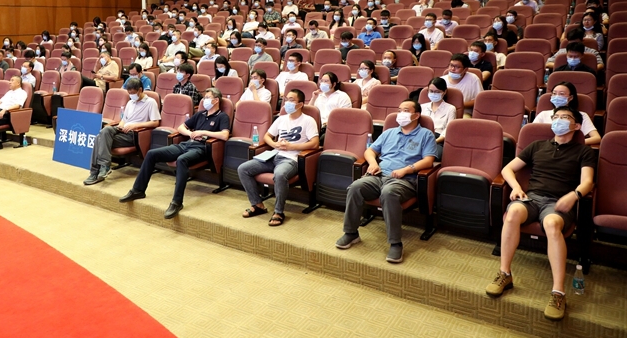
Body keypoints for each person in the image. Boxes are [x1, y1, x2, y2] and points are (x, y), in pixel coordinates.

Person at [486, 106, 595, 321]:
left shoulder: (584, 151)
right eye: (556, 117)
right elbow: (507, 169)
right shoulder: (537, 146)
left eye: (565, 117)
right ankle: (505, 274)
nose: (558, 120)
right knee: (513, 213)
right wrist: (516, 187)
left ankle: (558, 292)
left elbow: (588, 182)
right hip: (532, 198)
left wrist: (574, 195)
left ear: (576, 125)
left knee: (552, 224)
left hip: (559, 203)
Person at [336, 99, 437, 263]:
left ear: (416, 115)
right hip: (379, 175)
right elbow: (369, 151)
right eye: (399, 110)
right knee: (356, 187)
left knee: (389, 193)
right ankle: (351, 233)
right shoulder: (389, 132)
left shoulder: (426, 135)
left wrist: (407, 169)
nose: (401, 114)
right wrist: (373, 163)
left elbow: (429, 160)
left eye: (406, 110)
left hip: (404, 179)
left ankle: (395, 243)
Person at [119, 88, 230, 219]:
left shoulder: (222, 116)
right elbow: (181, 127)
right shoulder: (200, 114)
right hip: (186, 144)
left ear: (215, 100)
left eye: (207, 98)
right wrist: (191, 134)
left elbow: (225, 135)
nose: (204, 100)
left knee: (182, 160)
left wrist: (203, 132)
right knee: (152, 154)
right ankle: (138, 190)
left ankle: (177, 202)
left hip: (201, 148)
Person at [238, 88, 319, 226]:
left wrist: (292, 147)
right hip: (274, 155)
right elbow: (267, 136)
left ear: (300, 104)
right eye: (286, 99)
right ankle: (257, 205)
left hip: (292, 159)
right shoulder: (281, 119)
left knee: (280, 175)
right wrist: (274, 144)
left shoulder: (308, 120)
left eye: (291, 100)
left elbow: (315, 143)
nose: (287, 102)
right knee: (243, 169)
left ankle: (279, 212)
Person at [83, 78, 161, 185]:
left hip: (134, 134)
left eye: (133, 93)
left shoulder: (150, 102)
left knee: (98, 139)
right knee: (106, 130)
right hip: (123, 130)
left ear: (140, 90)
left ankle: (95, 171)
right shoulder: (130, 102)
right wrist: (121, 125)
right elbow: (124, 119)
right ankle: (103, 167)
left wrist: (135, 125)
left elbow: (155, 122)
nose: (131, 96)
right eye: (129, 93)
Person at [533, 81, 600, 146]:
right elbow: (531, 134)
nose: (557, 96)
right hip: (544, 149)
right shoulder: (543, 114)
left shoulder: (581, 115)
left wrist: (572, 145)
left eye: (561, 94)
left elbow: (597, 138)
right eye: (554, 93)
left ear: (570, 97)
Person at [420, 78, 455, 161]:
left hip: (438, 139)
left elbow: (448, 130)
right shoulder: (422, 107)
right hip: (421, 138)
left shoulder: (450, 108)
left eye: (437, 92)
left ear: (444, 92)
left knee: (433, 156)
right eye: (431, 91)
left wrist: (435, 141)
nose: (433, 94)